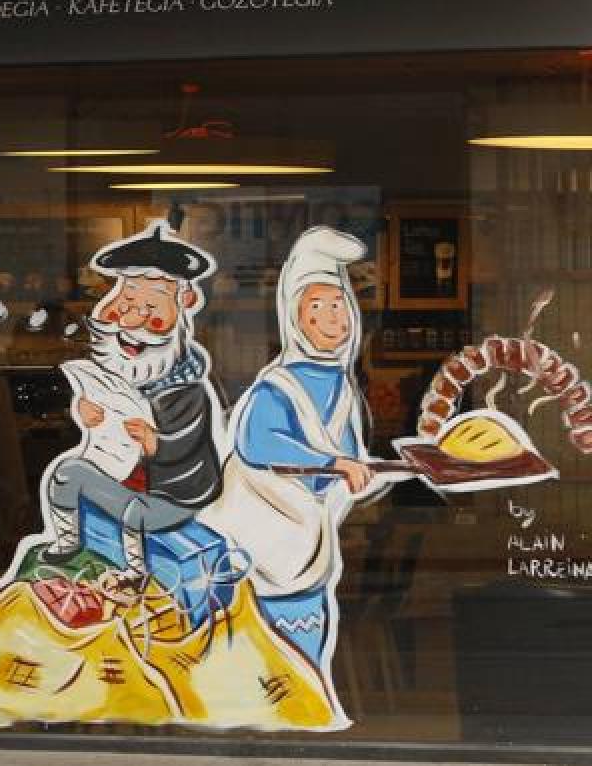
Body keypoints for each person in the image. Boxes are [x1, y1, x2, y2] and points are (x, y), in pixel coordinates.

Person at [200, 226, 376, 723]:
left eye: (338, 305)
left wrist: (364, 474)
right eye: (316, 308)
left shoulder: (342, 387)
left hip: (310, 541)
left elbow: (348, 457)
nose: (331, 318)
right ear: (295, 319)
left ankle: (305, 706)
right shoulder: (276, 385)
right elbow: (258, 442)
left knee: (305, 630)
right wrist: (335, 464)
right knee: (263, 632)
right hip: (266, 541)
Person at [39, 223, 225, 585]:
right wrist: (84, 412)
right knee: (67, 474)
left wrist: (156, 443)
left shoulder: (186, 392)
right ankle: (67, 544)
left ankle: (136, 575)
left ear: (183, 305)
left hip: (171, 495)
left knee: (134, 515)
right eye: (124, 303)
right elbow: (89, 422)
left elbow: (189, 446)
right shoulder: (112, 375)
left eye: (150, 307)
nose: (131, 319)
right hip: (120, 478)